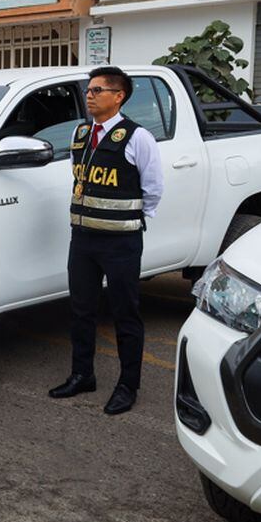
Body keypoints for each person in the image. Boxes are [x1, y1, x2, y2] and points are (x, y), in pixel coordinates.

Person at [49, 66, 163, 416]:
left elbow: (154, 189)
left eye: (98, 90)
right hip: (82, 240)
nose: (89, 95)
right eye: (89, 90)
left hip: (120, 243)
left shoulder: (137, 137)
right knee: (81, 310)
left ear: (119, 96)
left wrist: (127, 221)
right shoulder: (81, 133)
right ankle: (82, 375)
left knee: (125, 314)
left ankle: (128, 385)